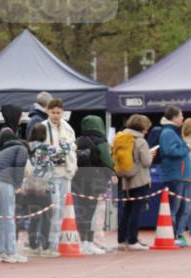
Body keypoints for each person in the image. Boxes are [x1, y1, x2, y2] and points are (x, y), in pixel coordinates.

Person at [0, 132, 29, 263]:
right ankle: (11, 252)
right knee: (8, 218)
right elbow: (19, 165)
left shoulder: (3, 152)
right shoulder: (22, 149)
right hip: (4, 182)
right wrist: (18, 185)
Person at [72, 115, 113, 254]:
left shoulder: (78, 140)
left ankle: (83, 241)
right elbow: (107, 161)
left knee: (81, 212)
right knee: (90, 212)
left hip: (78, 179)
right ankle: (88, 243)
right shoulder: (101, 141)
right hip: (95, 180)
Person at [43, 97, 77, 253]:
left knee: (63, 209)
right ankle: (50, 243)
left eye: (58, 112)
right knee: (53, 208)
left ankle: (56, 242)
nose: (56, 115)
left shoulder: (68, 128)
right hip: (50, 175)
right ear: (47, 111)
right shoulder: (43, 127)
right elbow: (40, 150)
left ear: (63, 112)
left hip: (66, 173)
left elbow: (72, 146)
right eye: (53, 112)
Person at [117, 114, 153, 251]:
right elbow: (146, 161)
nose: (147, 131)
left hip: (126, 180)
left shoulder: (122, 138)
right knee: (136, 211)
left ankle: (122, 240)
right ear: (141, 127)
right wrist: (150, 153)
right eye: (146, 128)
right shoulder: (141, 141)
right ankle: (133, 240)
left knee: (127, 210)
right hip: (140, 180)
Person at [157, 104, 191, 247]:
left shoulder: (172, 132)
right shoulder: (168, 133)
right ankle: (173, 235)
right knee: (175, 207)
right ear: (175, 117)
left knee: (185, 208)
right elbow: (170, 151)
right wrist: (186, 147)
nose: (183, 117)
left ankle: (179, 234)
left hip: (183, 175)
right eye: (181, 115)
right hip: (175, 176)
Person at [22, 122, 54, 255]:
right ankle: (45, 246)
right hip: (43, 188)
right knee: (46, 217)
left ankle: (32, 245)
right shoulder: (45, 149)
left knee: (33, 217)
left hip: (29, 188)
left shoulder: (26, 147)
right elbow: (46, 169)